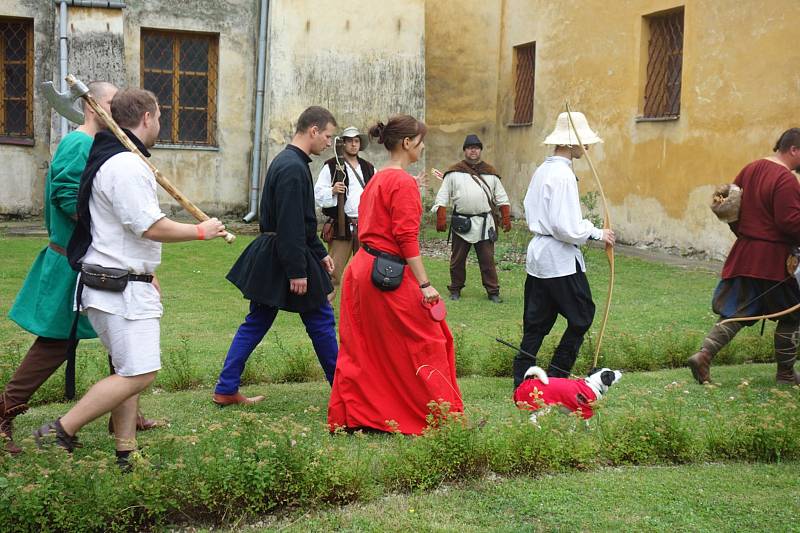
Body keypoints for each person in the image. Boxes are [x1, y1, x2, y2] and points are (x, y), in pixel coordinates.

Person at [33, 88, 227, 467]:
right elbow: (148, 226)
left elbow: (118, 231)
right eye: (158, 116)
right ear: (147, 117)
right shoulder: (125, 165)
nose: (160, 123)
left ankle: (126, 450)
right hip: (117, 290)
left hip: (122, 281)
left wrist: (144, 273)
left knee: (128, 369)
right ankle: (60, 430)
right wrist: (200, 231)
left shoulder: (119, 160)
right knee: (141, 371)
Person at [1, 82, 158, 456]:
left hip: (96, 259)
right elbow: (68, 195)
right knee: (56, 343)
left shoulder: (102, 146)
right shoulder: (80, 143)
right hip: (76, 261)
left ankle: (123, 419)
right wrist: (112, 224)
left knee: (122, 342)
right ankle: (4, 412)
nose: (118, 110)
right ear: (91, 107)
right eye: (111, 104)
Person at [328, 115, 463, 435]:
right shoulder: (399, 182)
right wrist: (426, 284)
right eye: (420, 141)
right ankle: (434, 414)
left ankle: (364, 414)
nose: (423, 146)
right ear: (406, 143)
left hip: (362, 270)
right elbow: (406, 239)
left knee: (366, 347)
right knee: (429, 338)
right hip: (386, 274)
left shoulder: (378, 178)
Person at [215, 107, 339, 406]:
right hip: (284, 255)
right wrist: (298, 270)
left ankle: (226, 387)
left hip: (278, 253)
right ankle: (346, 391)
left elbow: (301, 221)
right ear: (312, 130)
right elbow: (290, 224)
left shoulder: (290, 162)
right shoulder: (293, 168)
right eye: (328, 136)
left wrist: (321, 254)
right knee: (321, 319)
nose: (328, 143)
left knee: (258, 320)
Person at [688, 128, 800, 386]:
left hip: (745, 254)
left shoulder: (750, 169)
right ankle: (785, 374)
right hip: (772, 261)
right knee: (793, 313)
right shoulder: (785, 179)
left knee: (737, 312)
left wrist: (746, 234)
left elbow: (731, 210)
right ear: (793, 150)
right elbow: (790, 223)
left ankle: (704, 354)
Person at [512, 111, 615, 388]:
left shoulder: (544, 170)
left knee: (538, 320)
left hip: (541, 258)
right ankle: (556, 376)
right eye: (583, 142)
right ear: (571, 144)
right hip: (557, 258)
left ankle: (522, 376)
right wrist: (596, 232)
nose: (588, 147)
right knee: (581, 316)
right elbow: (564, 227)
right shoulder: (561, 175)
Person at [433, 134, 511, 303]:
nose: (473, 150)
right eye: (470, 148)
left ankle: (493, 291)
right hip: (462, 223)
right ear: (465, 151)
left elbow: (502, 197)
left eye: (476, 147)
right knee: (457, 260)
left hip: (484, 224)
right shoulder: (454, 173)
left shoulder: (491, 173)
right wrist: (441, 216)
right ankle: (455, 288)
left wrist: (505, 216)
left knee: (487, 260)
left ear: (480, 150)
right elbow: (443, 195)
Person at [314, 126, 375, 297]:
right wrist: (332, 190)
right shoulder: (332, 166)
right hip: (342, 226)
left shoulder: (369, 168)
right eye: (350, 141)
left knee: (366, 273)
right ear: (344, 143)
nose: (353, 144)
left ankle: (362, 308)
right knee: (333, 271)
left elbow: (380, 189)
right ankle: (325, 308)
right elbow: (318, 193)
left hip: (365, 226)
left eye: (356, 141)